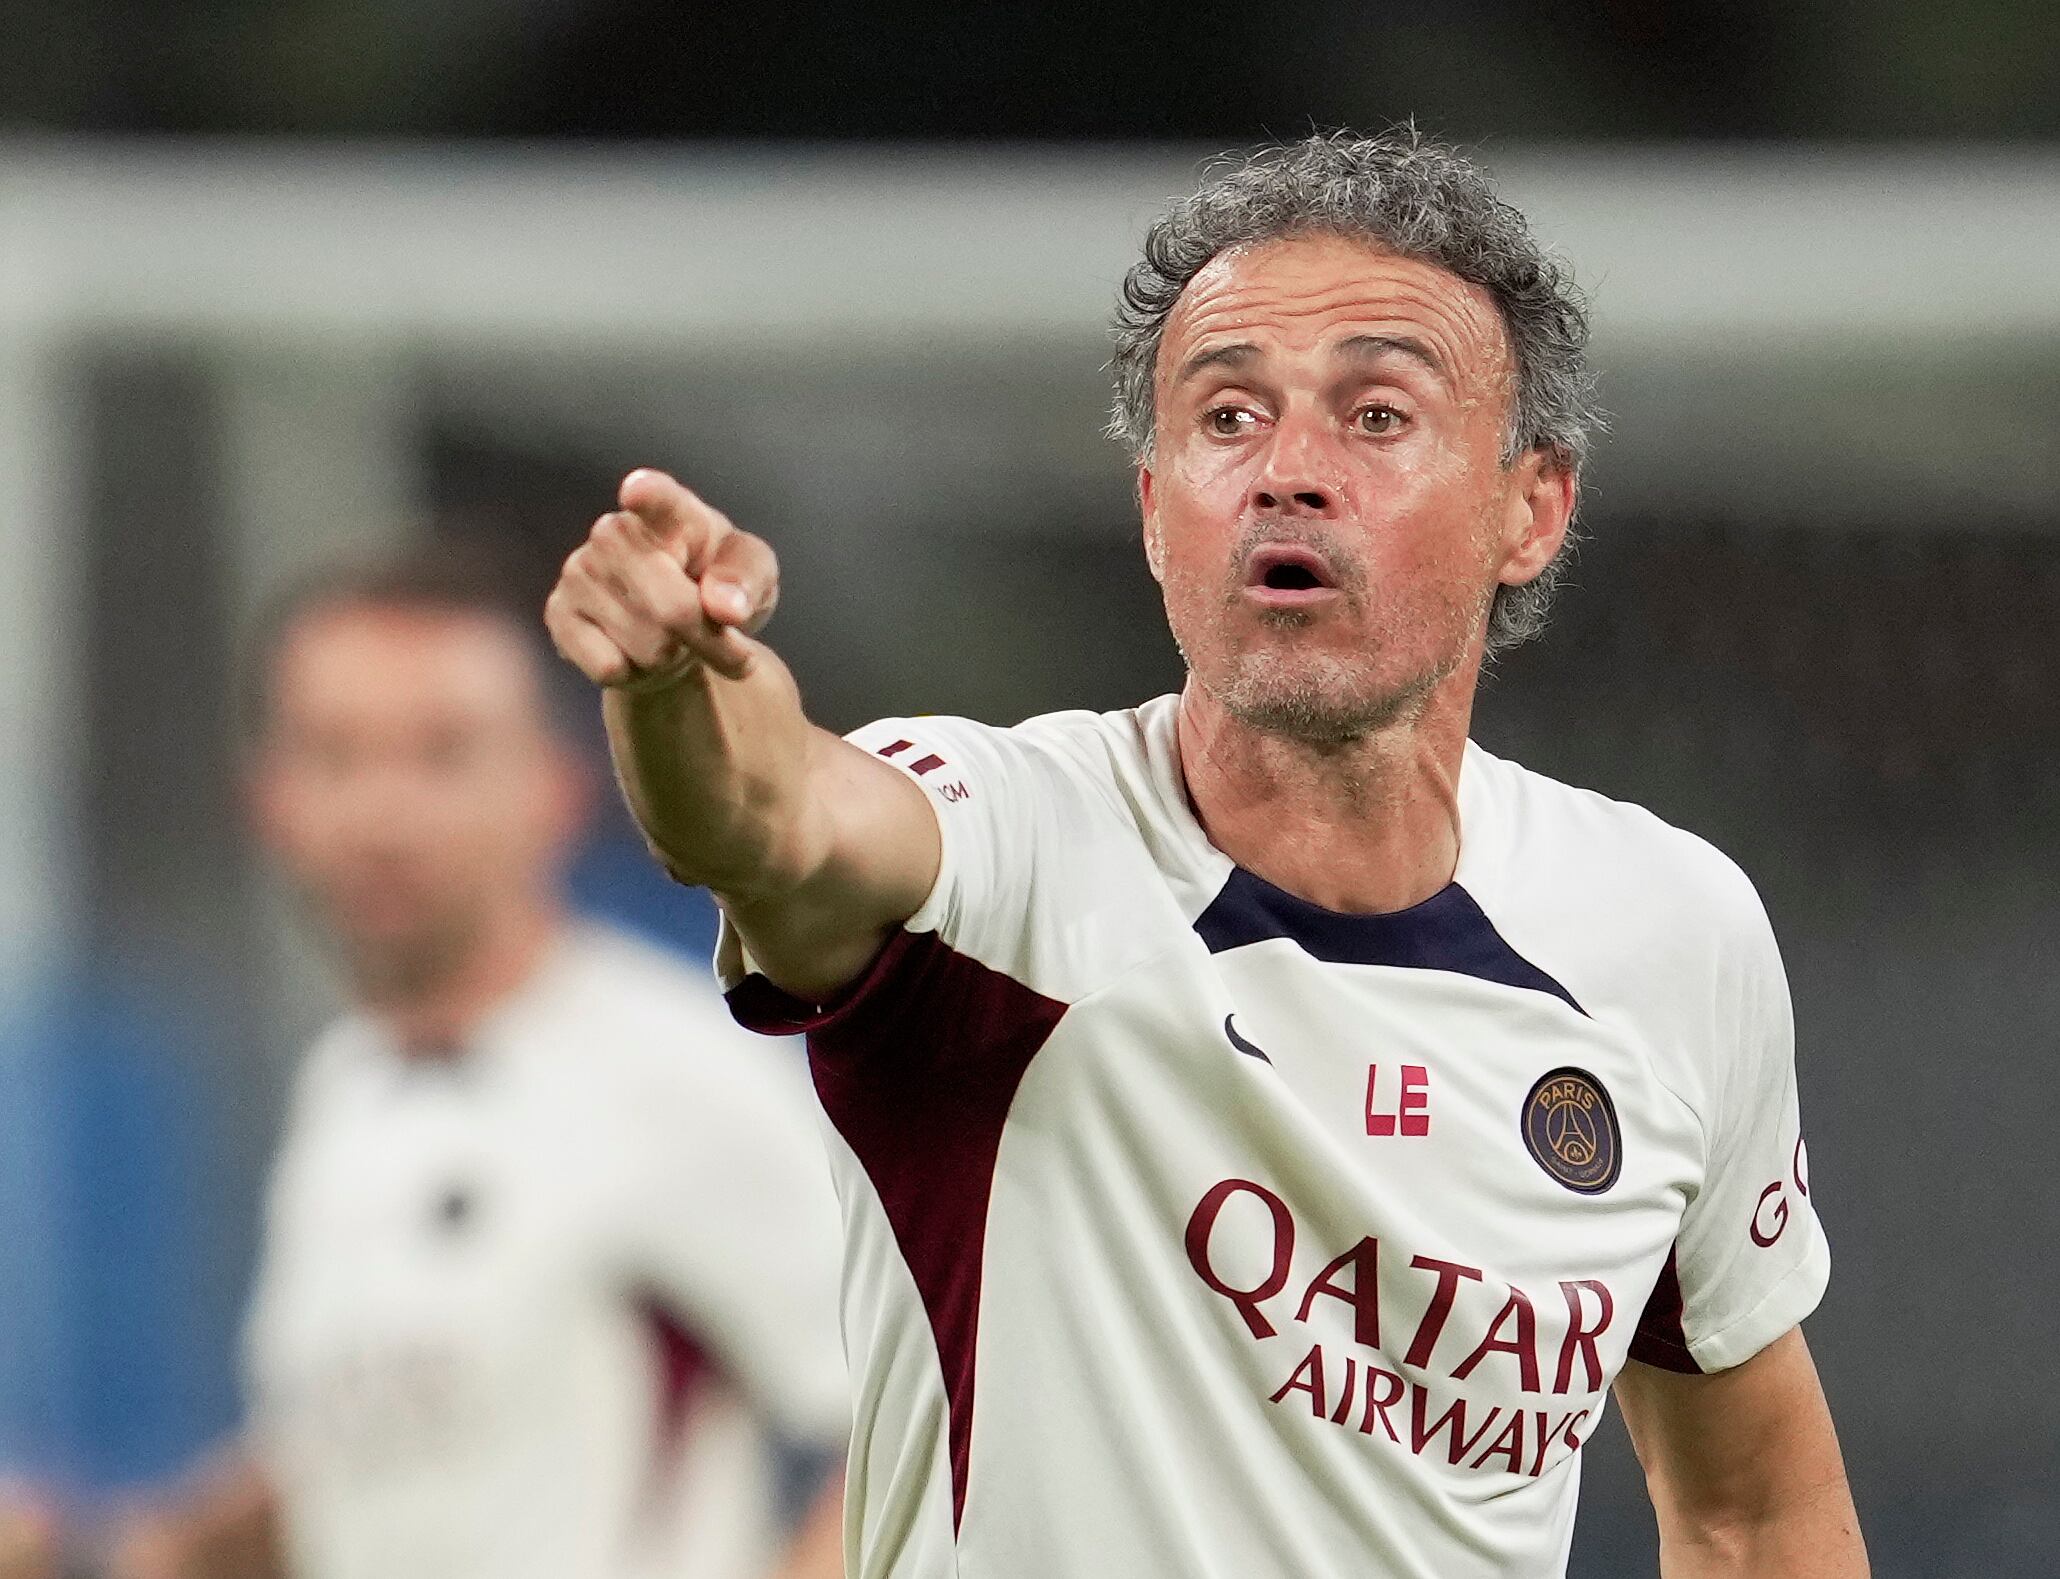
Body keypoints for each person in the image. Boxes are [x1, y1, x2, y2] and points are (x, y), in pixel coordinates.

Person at [544, 130, 1867, 1578]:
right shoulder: (1013, 846)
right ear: (1155, 515)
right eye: (1227, 417)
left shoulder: (1672, 930)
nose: (1289, 472)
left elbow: (1751, 1516)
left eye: (1376, 415)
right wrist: (677, 677)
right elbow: (773, 814)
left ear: (1528, 509)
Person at [104, 553, 848, 1579]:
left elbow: (924, 1413)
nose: (382, 812)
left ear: (557, 787)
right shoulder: (346, 1085)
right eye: (334, 755)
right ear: (268, 798)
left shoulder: (670, 1069)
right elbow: (354, 1469)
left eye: (441, 754)